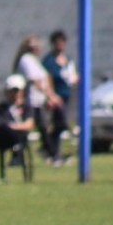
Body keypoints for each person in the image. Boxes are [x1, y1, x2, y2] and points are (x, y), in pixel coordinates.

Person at [13, 34, 62, 164]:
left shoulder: (34, 60)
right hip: (31, 100)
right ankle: (50, 153)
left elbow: (46, 77)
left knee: (40, 128)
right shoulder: (26, 59)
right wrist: (50, 96)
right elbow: (35, 80)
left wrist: (49, 94)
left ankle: (48, 152)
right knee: (35, 128)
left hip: (38, 100)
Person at [42, 30, 78, 167]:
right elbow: (46, 79)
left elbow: (72, 75)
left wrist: (75, 79)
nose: (61, 46)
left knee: (57, 126)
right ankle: (51, 149)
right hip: (55, 97)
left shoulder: (68, 60)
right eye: (58, 43)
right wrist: (50, 96)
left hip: (66, 95)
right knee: (61, 122)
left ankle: (52, 152)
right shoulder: (49, 61)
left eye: (63, 43)